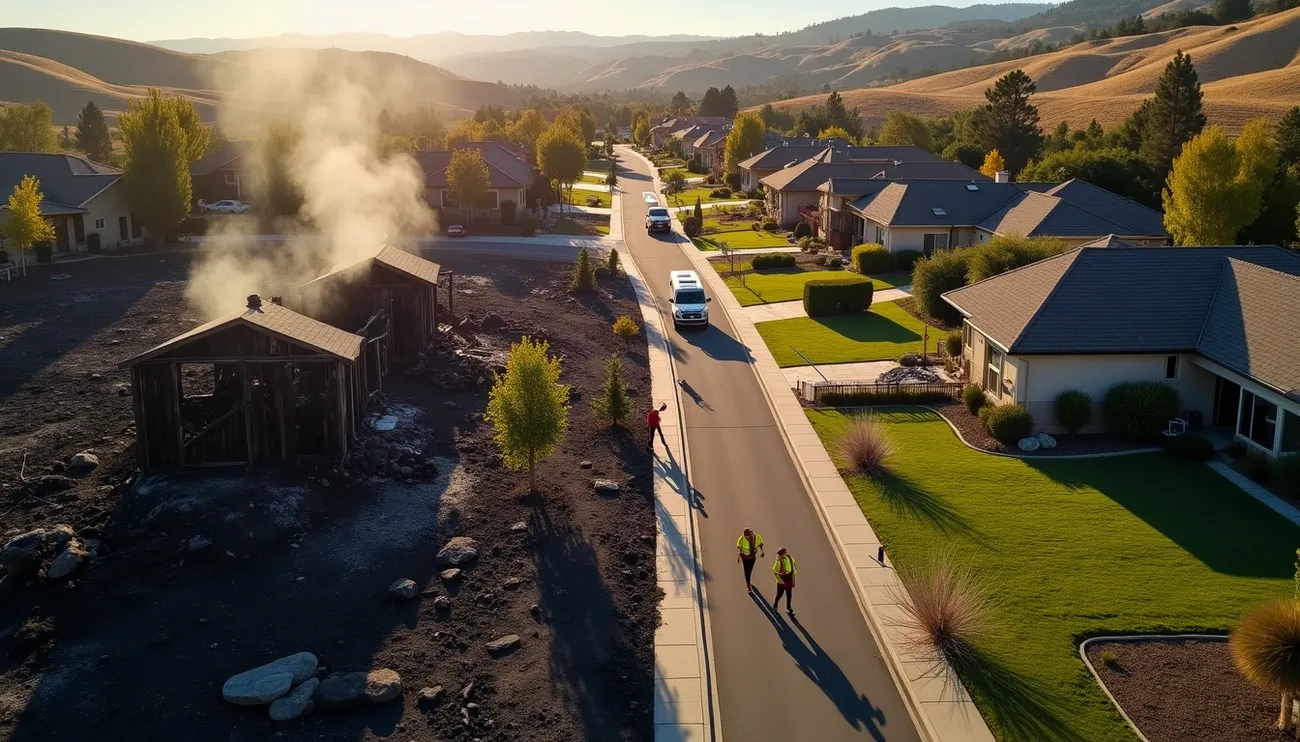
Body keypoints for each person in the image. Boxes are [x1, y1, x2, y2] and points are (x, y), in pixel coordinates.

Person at [736, 527, 765, 593]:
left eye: (747, 535)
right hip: (744, 557)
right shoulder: (741, 538)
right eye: (745, 536)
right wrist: (738, 557)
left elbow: (761, 544)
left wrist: (762, 551)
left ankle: (748, 580)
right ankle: (748, 585)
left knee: (750, 570)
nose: (746, 537)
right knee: (746, 571)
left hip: (752, 556)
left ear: (750, 534)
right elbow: (739, 548)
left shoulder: (756, 537)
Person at [772, 548, 797, 616]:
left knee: (789, 595)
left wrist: (793, 579)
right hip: (782, 580)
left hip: (789, 578)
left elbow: (793, 567)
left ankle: (788, 608)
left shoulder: (789, 558)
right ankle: (775, 605)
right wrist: (780, 578)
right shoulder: (778, 561)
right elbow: (774, 571)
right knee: (779, 595)